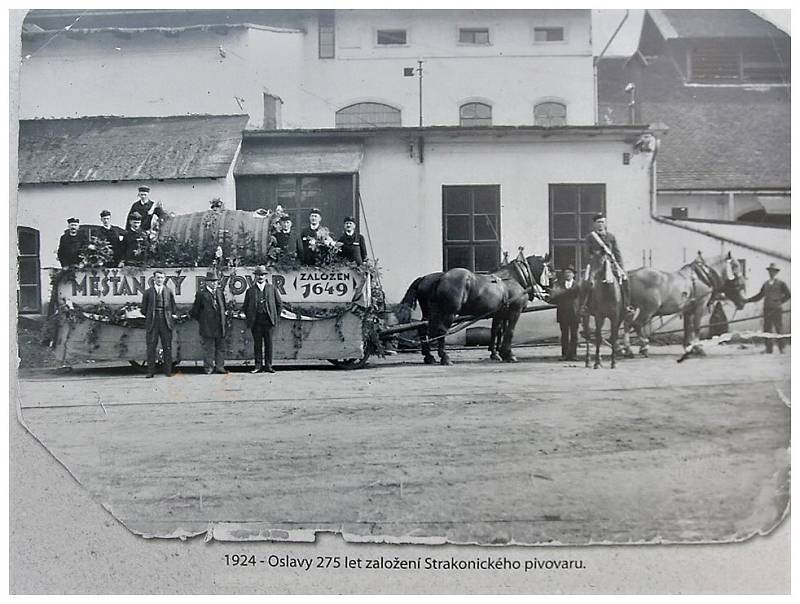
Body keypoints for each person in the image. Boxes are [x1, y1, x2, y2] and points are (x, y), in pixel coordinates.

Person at [583, 213, 631, 315]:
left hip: (611, 264)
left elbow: (617, 253)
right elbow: (586, 253)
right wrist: (595, 257)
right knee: (587, 282)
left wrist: (621, 267)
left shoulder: (611, 236)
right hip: (596, 265)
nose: (601, 224)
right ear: (594, 224)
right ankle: (585, 306)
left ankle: (626, 305)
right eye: (598, 222)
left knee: (625, 280)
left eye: (602, 222)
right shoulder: (590, 237)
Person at [243, 265, 283, 373]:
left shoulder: (272, 288)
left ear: (265, 276)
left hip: (268, 320)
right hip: (256, 321)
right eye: (258, 275)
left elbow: (279, 304)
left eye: (262, 275)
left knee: (269, 344)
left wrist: (275, 317)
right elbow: (245, 307)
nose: (260, 277)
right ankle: (258, 366)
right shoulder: (250, 291)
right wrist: (250, 317)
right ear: (255, 276)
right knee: (257, 344)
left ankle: (269, 366)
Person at [746, 263, 791, 353]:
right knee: (767, 329)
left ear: (776, 272)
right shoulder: (766, 284)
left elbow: (788, 295)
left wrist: (779, 302)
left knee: (778, 328)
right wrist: (747, 300)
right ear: (768, 272)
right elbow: (759, 295)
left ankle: (781, 348)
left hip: (776, 309)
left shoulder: (781, 283)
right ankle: (769, 349)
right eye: (770, 271)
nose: (771, 273)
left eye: (773, 271)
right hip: (767, 308)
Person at [191, 270, 228, 374]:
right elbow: (195, 311)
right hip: (207, 326)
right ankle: (209, 367)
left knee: (220, 348)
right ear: (207, 282)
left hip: (220, 325)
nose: (214, 283)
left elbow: (223, 307)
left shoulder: (220, 293)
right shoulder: (201, 294)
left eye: (216, 281)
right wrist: (204, 320)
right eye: (212, 281)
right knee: (209, 348)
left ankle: (220, 367)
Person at [141, 270, 177, 378]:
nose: (159, 280)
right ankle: (150, 372)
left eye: (161, 278)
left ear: (164, 279)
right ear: (154, 279)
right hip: (152, 321)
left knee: (167, 346)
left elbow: (173, 306)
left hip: (165, 321)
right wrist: (151, 315)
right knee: (151, 347)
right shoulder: (148, 292)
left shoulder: (168, 291)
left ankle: (168, 371)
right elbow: (143, 309)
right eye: (157, 277)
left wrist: (170, 316)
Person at [555, 265, 581, 361]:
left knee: (574, 335)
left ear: (573, 275)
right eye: (566, 273)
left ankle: (573, 355)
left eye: (570, 273)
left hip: (574, 313)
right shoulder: (559, 285)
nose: (568, 275)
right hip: (563, 313)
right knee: (564, 335)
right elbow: (555, 298)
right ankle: (564, 354)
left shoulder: (578, 286)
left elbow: (581, 299)